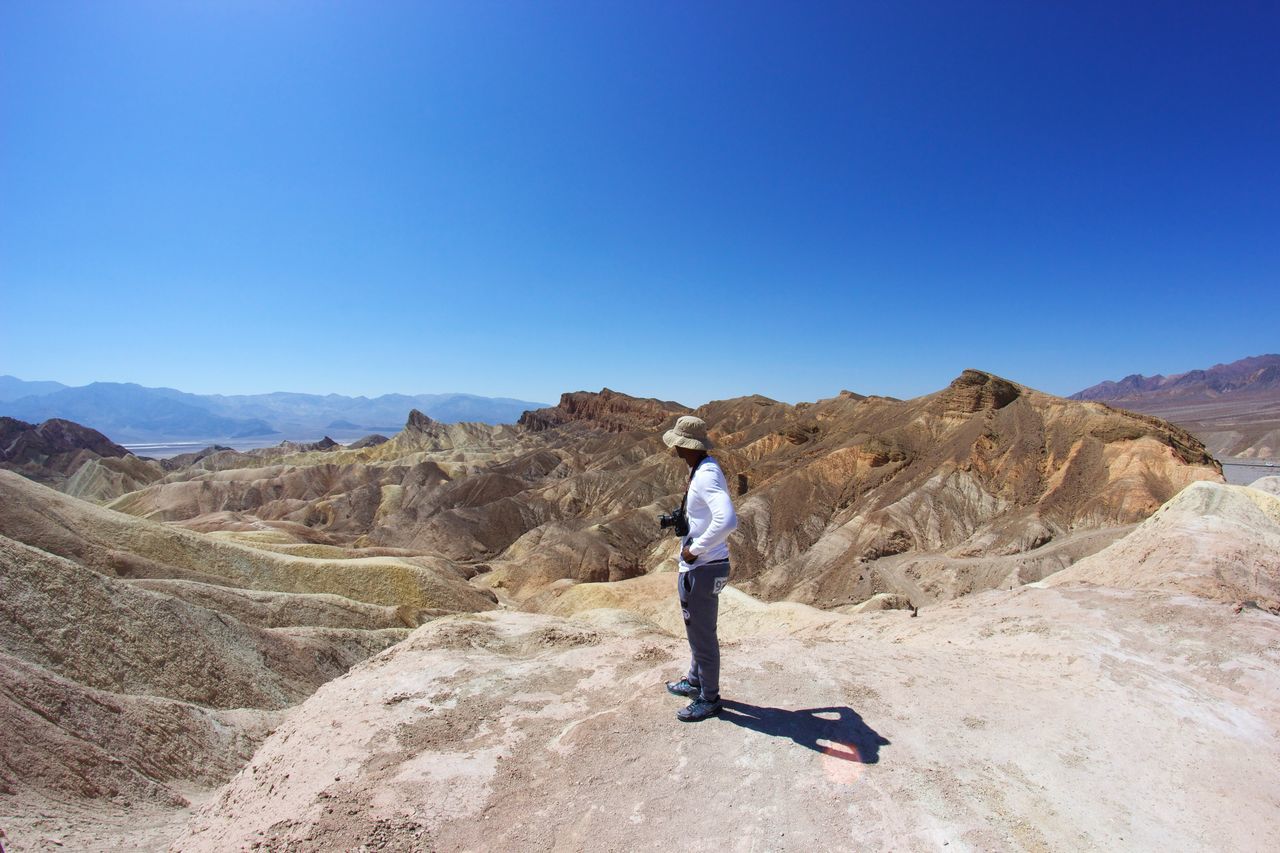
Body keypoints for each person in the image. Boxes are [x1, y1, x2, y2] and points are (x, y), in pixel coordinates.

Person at [661, 415, 738, 722]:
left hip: (704, 569)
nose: (675, 448)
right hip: (706, 566)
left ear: (686, 445)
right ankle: (694, 681)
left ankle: (709, 698)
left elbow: (728, 520)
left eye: (678, 443)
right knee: (698, 632)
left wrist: (695, 549)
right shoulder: (701, 469)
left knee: (703, 637)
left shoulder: (706, 475)